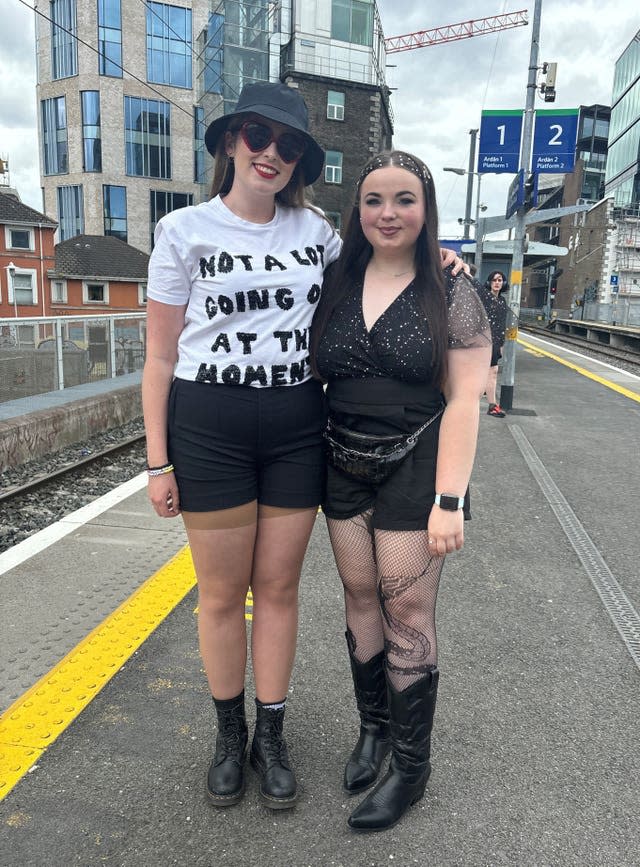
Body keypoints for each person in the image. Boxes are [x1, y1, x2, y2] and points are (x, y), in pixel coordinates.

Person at [143, 84, 463, 812]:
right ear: (229, 141)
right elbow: (159, 357)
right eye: (258, 135)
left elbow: (383, 258)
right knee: (222, 594)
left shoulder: (318, 235)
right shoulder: (183, 231)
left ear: (300, 162)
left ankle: (272, 736)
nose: (271, 153)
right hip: (208, 425)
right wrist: (157, 459)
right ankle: (230, 736)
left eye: (289, 145)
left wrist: (436, 248)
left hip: (294, 426)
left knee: (280, 589)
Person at [310, 150, 491, 832]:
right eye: (375, 200)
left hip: (420, 461)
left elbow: (468, 399)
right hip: (341, 457)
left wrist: (451, 498)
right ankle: (374, 732)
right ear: (357, 211)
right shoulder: (334, 278)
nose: (389, 213)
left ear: (426, 208)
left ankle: (411, 770)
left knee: (405, 610)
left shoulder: (451, 289)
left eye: (404, 200)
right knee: (359, 595)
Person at [477, 270, 509, 418]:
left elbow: (502, 324)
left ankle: (492, 405)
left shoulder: (502, 301)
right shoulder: (483, 297)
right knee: (483, 372)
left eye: (500, 280)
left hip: (496, 341)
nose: (497, 283)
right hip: (482, 340)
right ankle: (474, 404)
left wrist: (502, 344)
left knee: (493, 372)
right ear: (489, 282)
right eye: (494, 280)